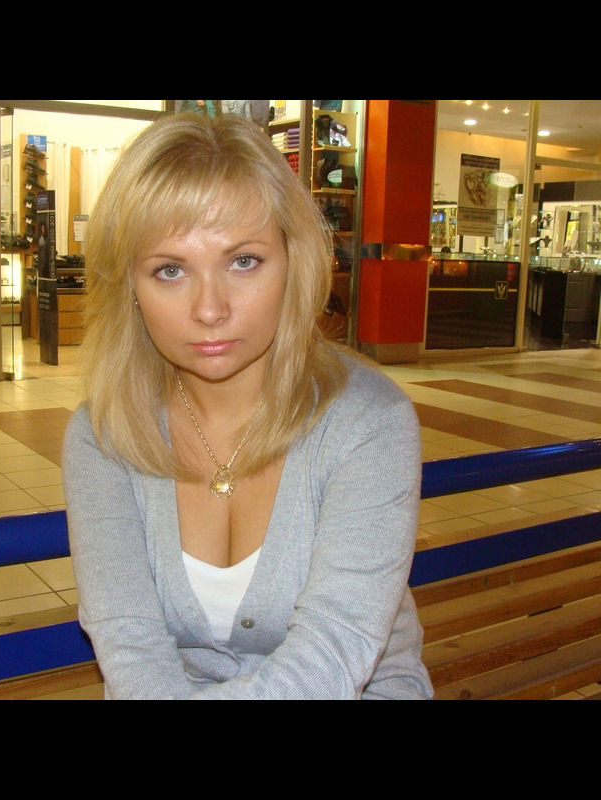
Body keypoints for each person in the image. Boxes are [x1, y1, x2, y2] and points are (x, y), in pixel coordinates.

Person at [62, 113, 433, 700]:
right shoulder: (104, 434)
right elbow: (129, 646)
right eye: (170, 270)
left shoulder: (367, 423)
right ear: (128, 285)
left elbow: (334, 652)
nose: (210, 309)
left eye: (242, 261)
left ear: (293, 261)